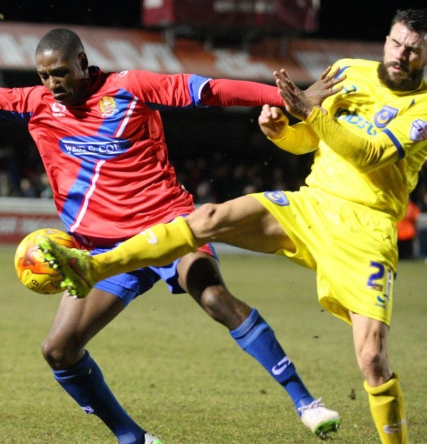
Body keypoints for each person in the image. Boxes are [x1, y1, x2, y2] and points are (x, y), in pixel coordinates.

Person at [0, 29, 341, 443]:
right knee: (58, 349)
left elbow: (213, 90)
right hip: (101, 250)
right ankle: (131, 437)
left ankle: (305, 402)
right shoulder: (34, 104)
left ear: (82, 64)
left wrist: (286, 97)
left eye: (61, 73)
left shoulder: (130, 88)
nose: (53, 84)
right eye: (44, 75)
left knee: (213, 295)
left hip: (168, 228)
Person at [40, 9, 427, 444]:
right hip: (313, 204)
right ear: (386, 39)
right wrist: (281, 131)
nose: (401, 54)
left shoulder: (424, 107)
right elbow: (311, 141)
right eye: (396, 43)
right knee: (206, 218)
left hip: (366, 228)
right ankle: (93, 268)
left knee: (372, 357)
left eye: (413, 49)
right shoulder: (347, 73)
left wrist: (310, 113)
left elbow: (371, 154)